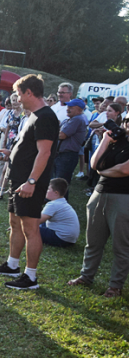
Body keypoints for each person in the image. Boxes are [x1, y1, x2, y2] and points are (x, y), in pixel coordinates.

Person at [0, 74, 59, 290]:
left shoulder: (45, 116)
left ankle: (31, 277)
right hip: (19, 180)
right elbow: (31, 149)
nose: (17, 99)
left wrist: (31, 181)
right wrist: (12, 152)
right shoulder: (34, 116)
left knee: (31, 229)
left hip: (29, 184)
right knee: (14, 224)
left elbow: (44, 153)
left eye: (19, 94)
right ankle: (12, 265)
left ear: (29, 92)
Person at [67, 114, 129, 297]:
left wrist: (103, 171)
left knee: (121, 246)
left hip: (123, 197)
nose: (127, 124)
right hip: (99, 193)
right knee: (93, 242)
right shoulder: (117, 140)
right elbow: (93, 164)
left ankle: (115, 286)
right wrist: (105, 140)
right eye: (126, 121)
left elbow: (125, 169)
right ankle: (86, 277)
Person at [52, 98, 89, 191]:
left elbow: (62, 135)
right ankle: (54, 202)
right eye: (68, 106)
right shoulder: (70, 119)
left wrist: (51, 132)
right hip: (62, 155)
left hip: (67, 156)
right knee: (56, 182)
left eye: (71, 107)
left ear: (79, 109)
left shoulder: (77, 119)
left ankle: (60, 203)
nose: (67, 109)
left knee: (60, 184)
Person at [38, 178, 80, 247]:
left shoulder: (53, 204)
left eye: (48, 189)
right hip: (70, 240)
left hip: (60, 239)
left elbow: (37, 221)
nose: (46, 191)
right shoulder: (62, 202)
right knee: (41, 225)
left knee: (29, 228)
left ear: (56, 193)